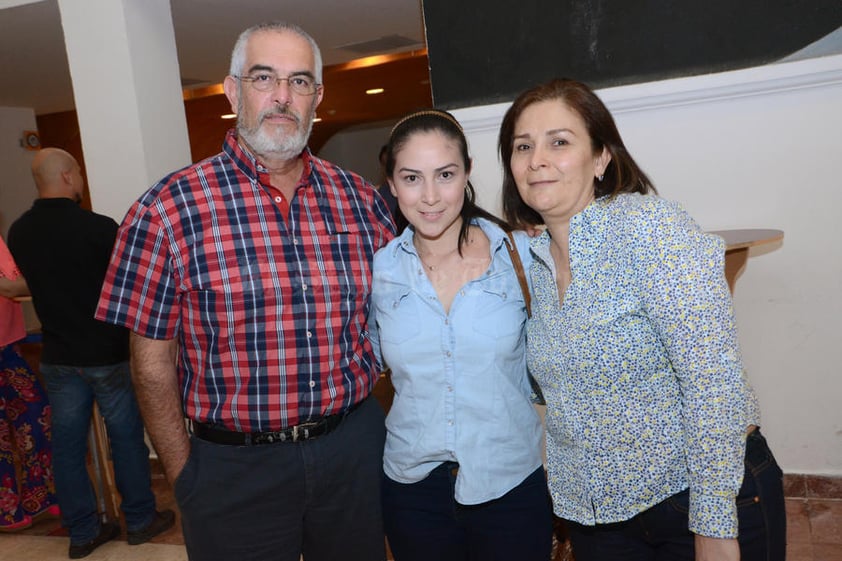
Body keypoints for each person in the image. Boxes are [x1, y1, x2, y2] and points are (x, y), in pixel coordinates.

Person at [95, 21, 395, 561]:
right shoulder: (165, 210)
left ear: (317, 97)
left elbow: (400, 309)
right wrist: (185, 476)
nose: (282, 96)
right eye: (264, 78)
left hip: (353, 452)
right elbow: (150, 364)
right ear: (234, 91)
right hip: (233, 470)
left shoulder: (359, 199)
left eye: (300, 81)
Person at [497, 78, 786, 561]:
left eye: (559, 142)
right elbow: (561, 385)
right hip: (599, 520)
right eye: (522, 146)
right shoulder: (536, 262)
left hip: (693, 499)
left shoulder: (649, 228)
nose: (536, 159)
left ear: (602, 158)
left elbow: (713, 381)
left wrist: (713, 522)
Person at [368, 109, 552, 561]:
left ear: (467, 172)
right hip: (412, 491)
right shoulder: (379, 271)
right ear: (391, 184)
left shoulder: (523, 256)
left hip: (510, 484)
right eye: (411, 178)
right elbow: (365, 359)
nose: (430, 196)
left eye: (445, 175)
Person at [7, 148, 175, 559]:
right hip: (106, 353)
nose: (80, 179)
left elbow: (29, 284)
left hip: (58, 355)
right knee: (125, 440)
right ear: (67, 176)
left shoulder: (20, 231)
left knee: (66, 445)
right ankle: (139, 519)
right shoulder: (99, 228)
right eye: (78, 172)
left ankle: (82, 532)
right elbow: (126, 285)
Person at [0, 235, 58, 532]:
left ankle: (41, 496)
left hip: (8, 347)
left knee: (36, 413)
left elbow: (16, 283)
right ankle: (5, 511)